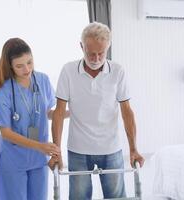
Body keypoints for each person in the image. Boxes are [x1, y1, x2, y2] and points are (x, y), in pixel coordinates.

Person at [49, 22, 145, 200]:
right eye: (90, 53)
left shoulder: (118, 71)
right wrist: (56, 153)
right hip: (78, 148)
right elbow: (59, 113)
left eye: (101, 53)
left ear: (108, 46)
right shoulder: (68, 71)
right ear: (81, 47)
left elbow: (127, 112)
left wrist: (134, 149)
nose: (95, 58)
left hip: (111, 148)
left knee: (116, 197)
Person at [0, 38, 60, 200]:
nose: (27, 69)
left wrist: (70, 113)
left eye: (29, 62)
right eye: (19, 66)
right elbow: (5, 133)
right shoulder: (4, 90)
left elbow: (47, 113)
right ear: (10, 66)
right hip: (13, 159)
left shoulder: (42, 80)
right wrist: (40, 146)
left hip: (38, 158)